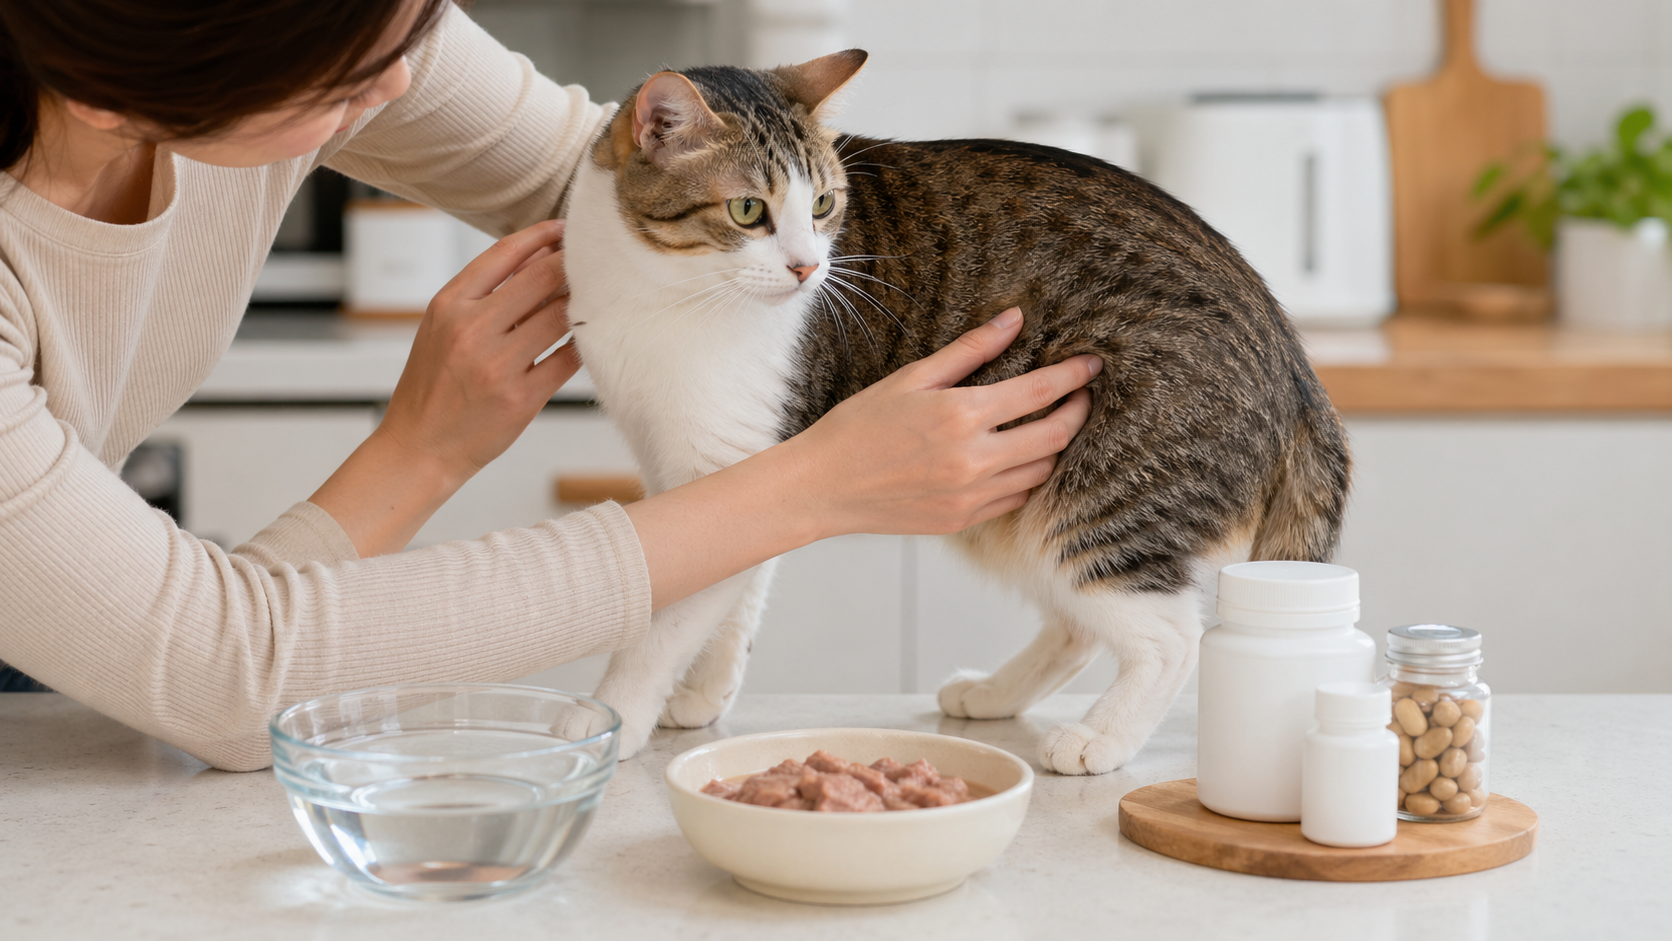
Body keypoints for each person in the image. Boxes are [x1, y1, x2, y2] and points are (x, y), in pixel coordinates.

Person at [0, 0, 1096, 770]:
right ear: (106, 95)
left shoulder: (334, 36)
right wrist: (806, 487)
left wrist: (423, 451)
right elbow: (222, 676)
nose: (395, 83)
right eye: (345, 79)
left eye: (414, 21)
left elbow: (613, 177)